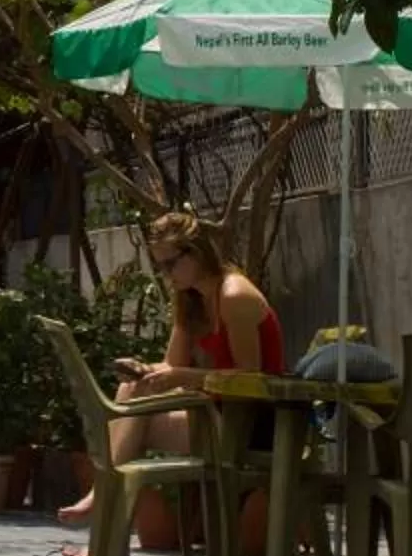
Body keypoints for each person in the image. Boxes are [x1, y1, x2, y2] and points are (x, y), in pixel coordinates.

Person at [55, 211, 284, 529]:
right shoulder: (191, 299)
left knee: (133, 414)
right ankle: (105, 515)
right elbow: (172, 364)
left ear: (196, 254)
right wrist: (144, 369)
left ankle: (103, 506)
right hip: (219, 415)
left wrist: (183, 377)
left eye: (170, 264)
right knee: (132, 388)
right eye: (159, 266)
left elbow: (251, 378)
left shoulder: (234, 296)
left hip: (255, 424)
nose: (165, 275)